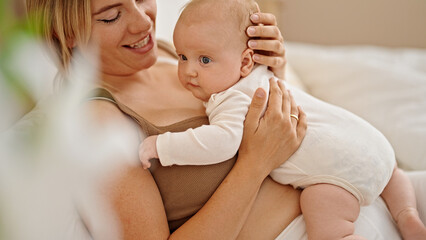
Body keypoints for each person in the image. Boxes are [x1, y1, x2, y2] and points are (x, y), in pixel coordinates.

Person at [24, 0, 426, 239]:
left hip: (366, 190)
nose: (144, 21)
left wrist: (273, 69)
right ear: (67, 33)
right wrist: (254, 164)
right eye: (111, 15)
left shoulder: (171, 51)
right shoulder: (98, 121)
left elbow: (274, 116)